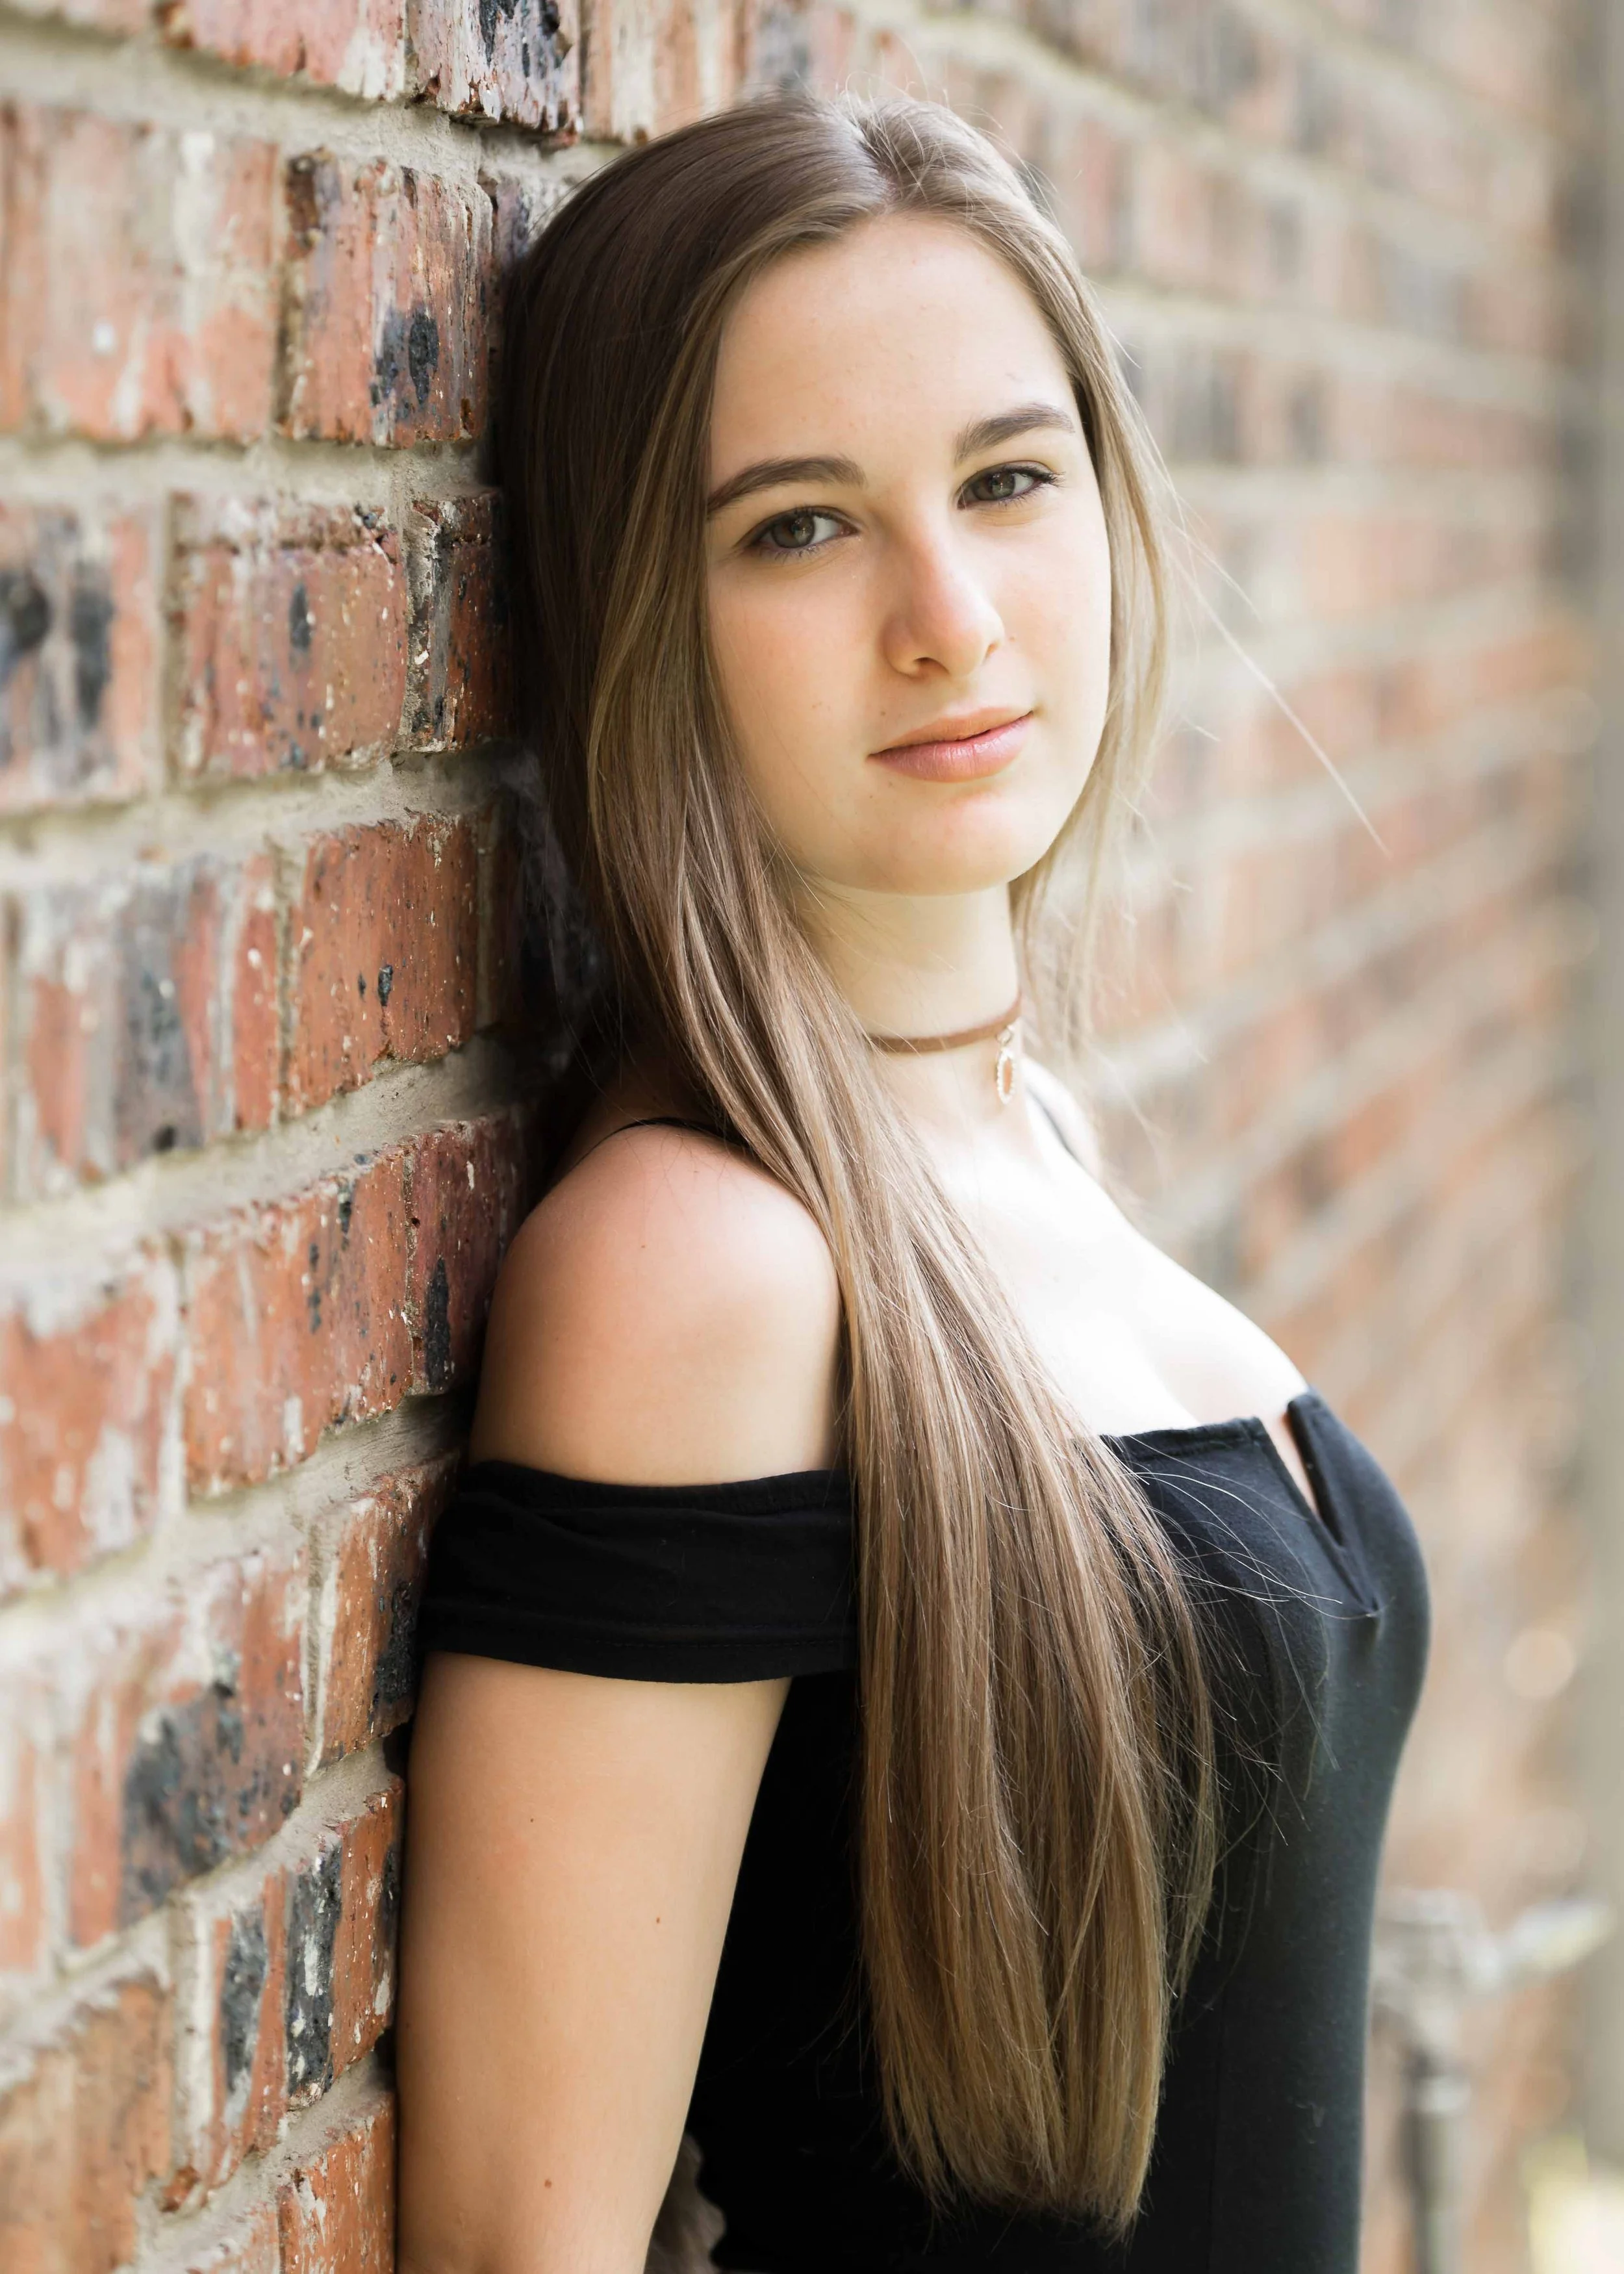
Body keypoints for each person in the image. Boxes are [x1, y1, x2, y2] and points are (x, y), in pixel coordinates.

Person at [395, 90, 1430, 2274]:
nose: (948, 615)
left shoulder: (1023, 1137)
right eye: (796, 527)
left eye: (1004, 479)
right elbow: (522, 2243)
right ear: (637, 616)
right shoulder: (705, 1265)